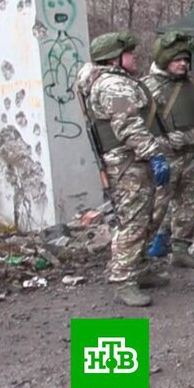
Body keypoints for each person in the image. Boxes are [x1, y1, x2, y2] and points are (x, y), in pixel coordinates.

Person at [75, 31, 171, 307]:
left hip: (134, 158)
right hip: (127, 161)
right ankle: (122, 279)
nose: (135, 56)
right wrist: (154, 154)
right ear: (114, 59)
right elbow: (127, 126)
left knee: (146, 214)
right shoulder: (113, 86)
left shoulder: (118, 82)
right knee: (134, 220)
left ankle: (138, 268)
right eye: (129, 53)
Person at [141, 31, 194, 269]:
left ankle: (180, 248)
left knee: (188, 205)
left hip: (190, 155)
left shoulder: (192, 87)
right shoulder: (147, 88)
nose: (183, 64)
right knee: (156, 207)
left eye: (185, 60)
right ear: (164, 60)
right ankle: (141, 256)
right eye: (177, 60)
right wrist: (154, 154)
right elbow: (140, 128)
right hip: (164, 158)